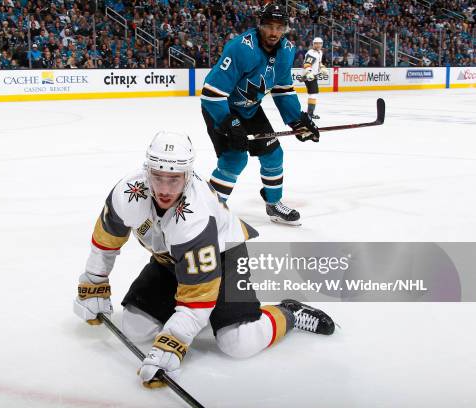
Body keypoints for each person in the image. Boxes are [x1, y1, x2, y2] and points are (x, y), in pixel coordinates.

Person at [73, 131, 335, 387]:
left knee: (239, 343)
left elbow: (198, 296)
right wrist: (94, 279)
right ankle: (199, 317)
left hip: (223, 258)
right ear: (147, 171)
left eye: (174, 179)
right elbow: (106, 240)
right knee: (134, 328)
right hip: (170, 261)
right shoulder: (127, 192)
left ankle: (289, 311)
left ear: (187, 176)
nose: (164, 189)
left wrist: (173, 340)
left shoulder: (194, 217)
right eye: (158, 177)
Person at [200, 3, 319, 226]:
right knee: (235, 159)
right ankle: (207, 211)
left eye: (279, 27)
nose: (274, 33)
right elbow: (211, 93)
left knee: (273, 154)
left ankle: (274, 204)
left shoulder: (287, 50)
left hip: (250, 109)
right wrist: (229, 122)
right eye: (269, 26)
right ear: (260, 25)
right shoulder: (241, 48)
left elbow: (283, 90)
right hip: (221, 108)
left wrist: (297, 121)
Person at [303, 37, 327, 119]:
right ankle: (309, 114)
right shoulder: (311, 53)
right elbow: (307, 64)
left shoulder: (320, 52)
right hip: (309, 76)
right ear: (313, 44)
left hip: (313, 76)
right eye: (316, 43)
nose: (318, 45)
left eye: (320, 43)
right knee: (313, 94)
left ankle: (310, 113)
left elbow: (319, 62)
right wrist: (309, 73)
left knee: (313, 94)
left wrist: (322, 67)